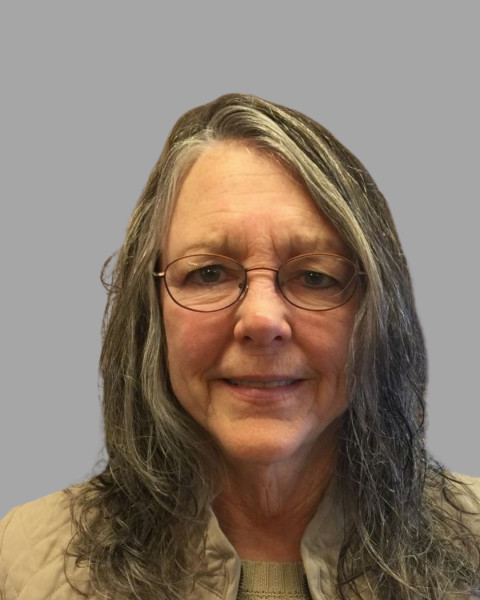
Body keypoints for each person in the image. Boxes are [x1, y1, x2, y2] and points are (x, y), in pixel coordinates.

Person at [1, 93, 479, 600]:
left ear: (377, 312)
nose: (262, 320)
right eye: (209, 273)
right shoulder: (18, 564)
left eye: (315, 276)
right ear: (149, 314)